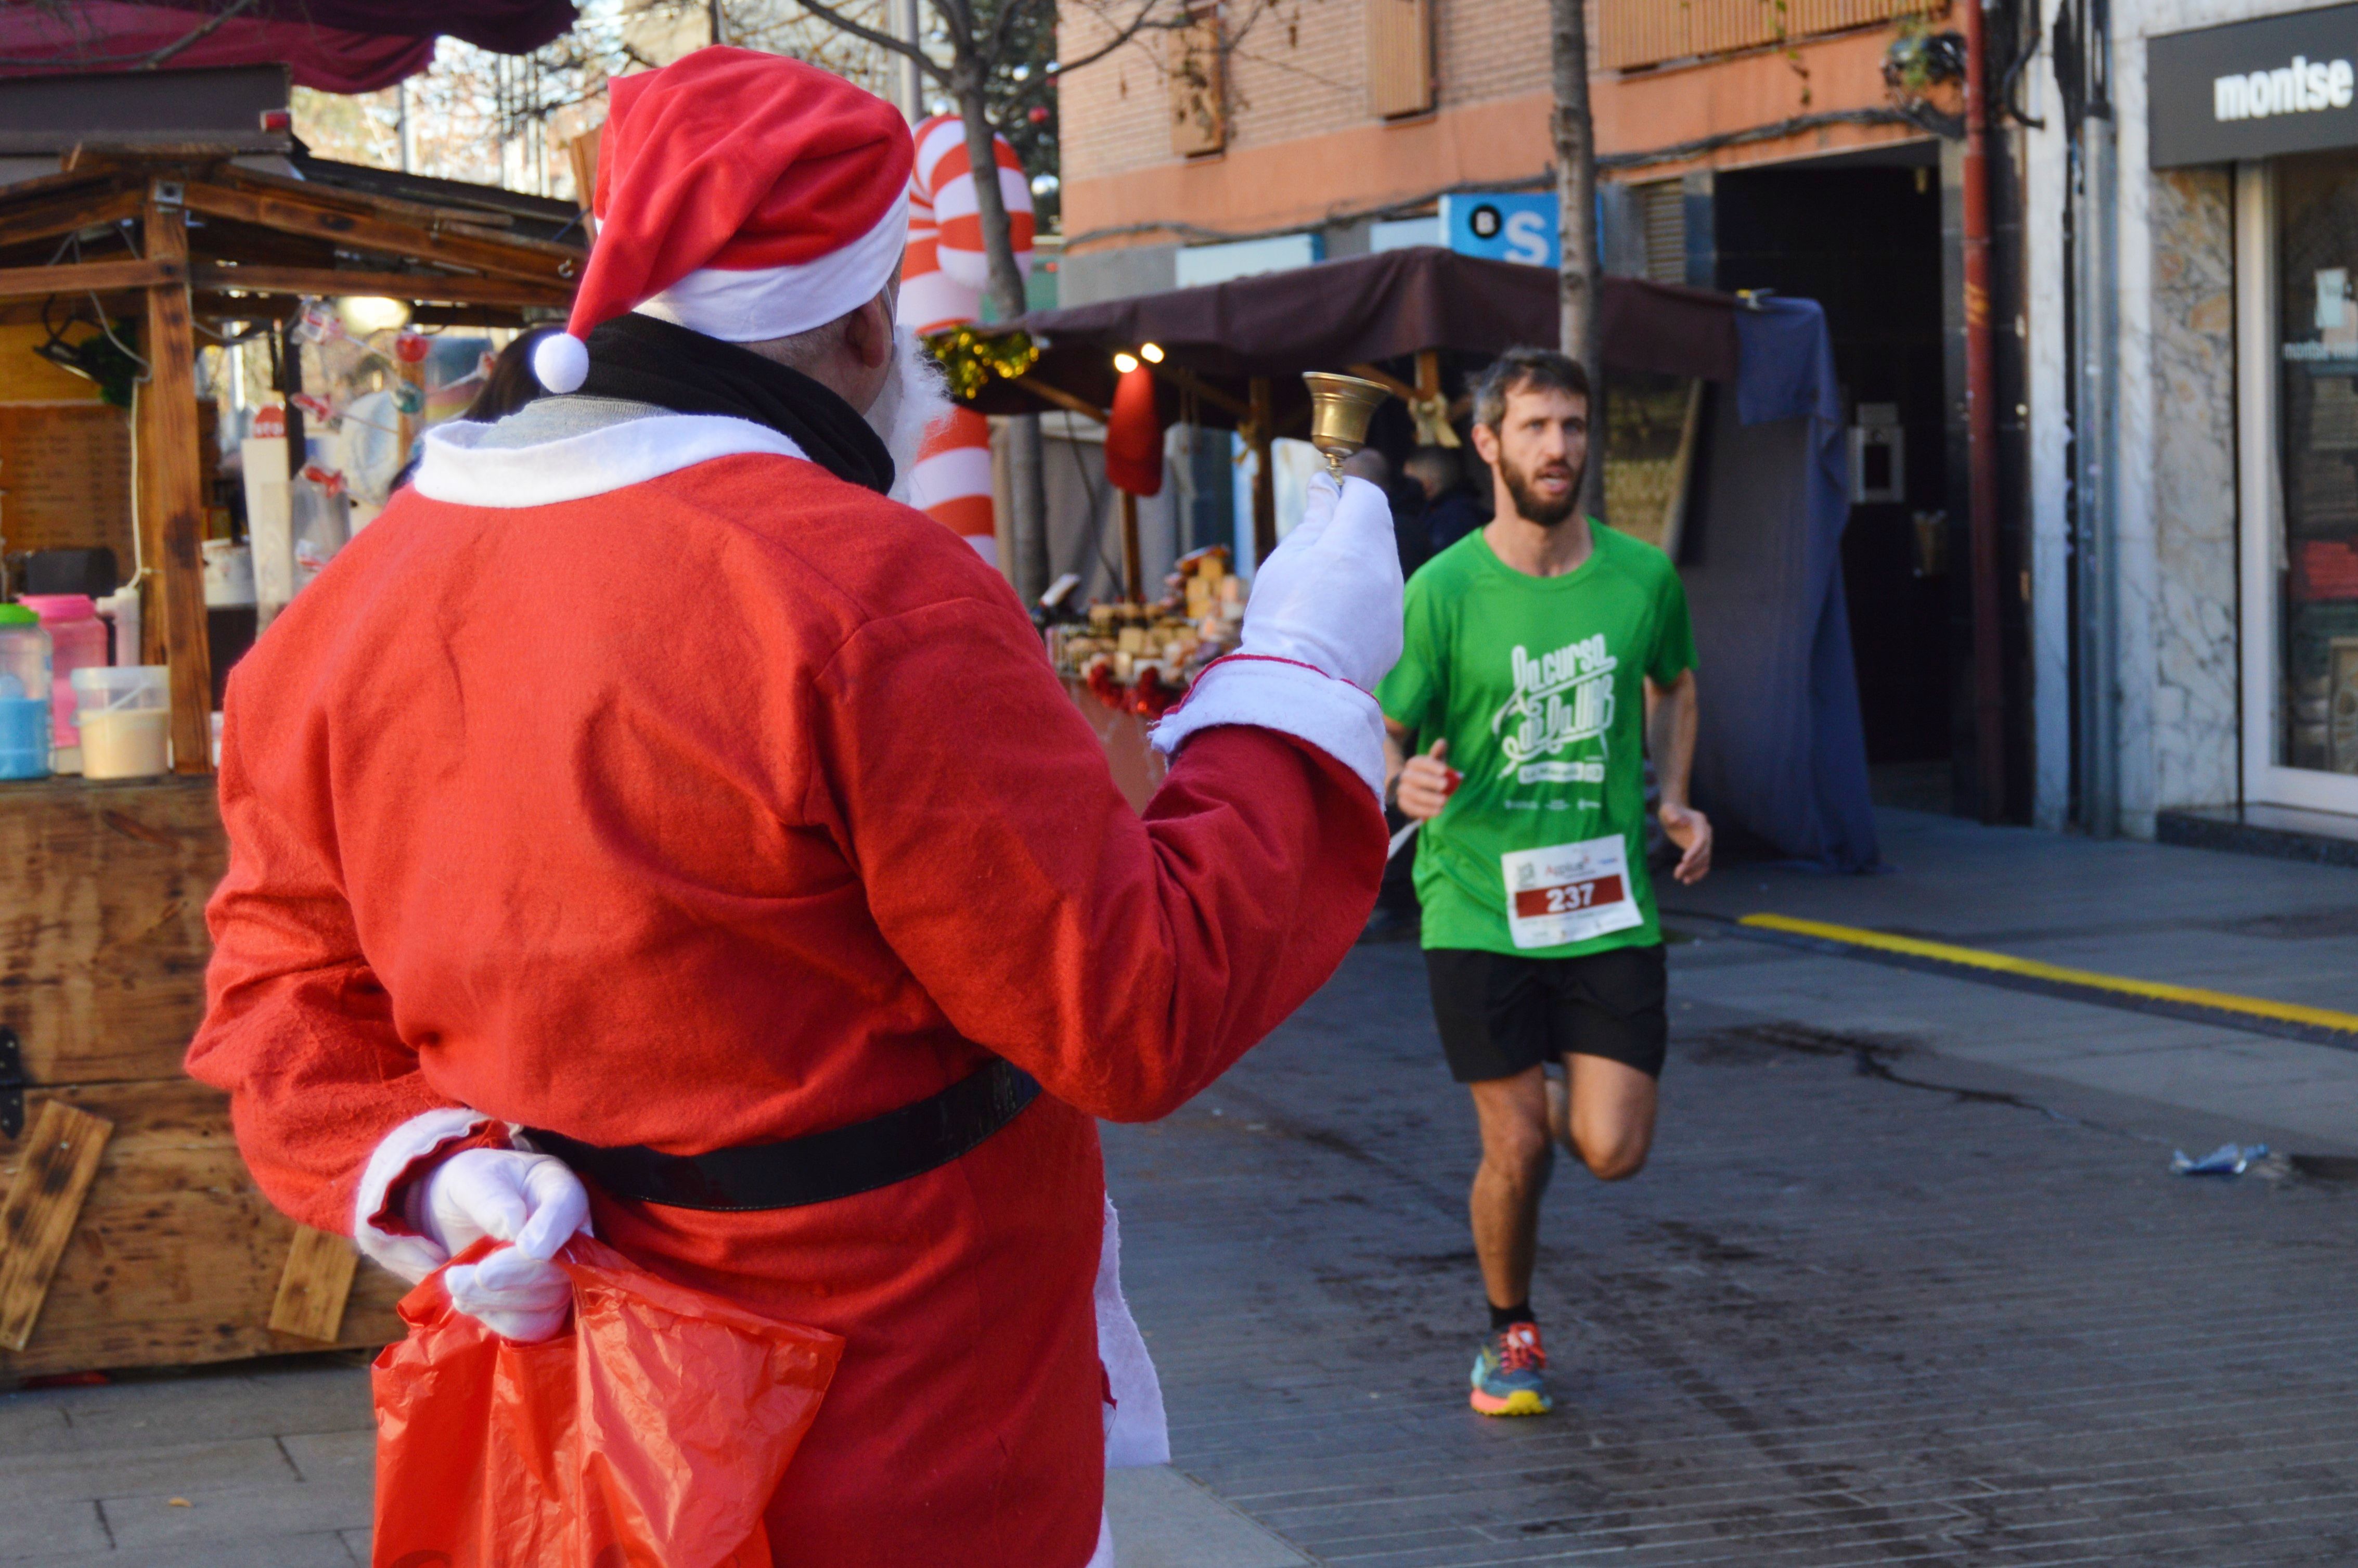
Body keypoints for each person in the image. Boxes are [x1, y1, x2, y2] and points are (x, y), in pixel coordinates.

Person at [186, 49, 1402, 1568]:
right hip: (901, 1427)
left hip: (573, 1432)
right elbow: (1133, 1004)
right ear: (859, 318)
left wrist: (430, 1164)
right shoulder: (868, 593)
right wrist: (1296, 675)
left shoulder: (343, 610)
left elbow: (280, 1003)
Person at [1373, 345, 1710, 1419]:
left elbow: (1675, 683)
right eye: (1532, 427)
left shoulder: (1640, 577)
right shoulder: (1442, 591)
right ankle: (1505, 1329)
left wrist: (1674, 797)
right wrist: (1402, 777)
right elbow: (1383, 726)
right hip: (1474, 899)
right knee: (1513, 1142)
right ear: (1487, 444)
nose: (1557, 447)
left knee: (1611, 1148)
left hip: (1606, 904)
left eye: (1570, 426)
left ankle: (1556, 1079)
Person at [1406, 443, 1487, 557]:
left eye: (1409, 482)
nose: (1406, 488)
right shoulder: (1465, 510)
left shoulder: (1450, 521)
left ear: (1426, 485)